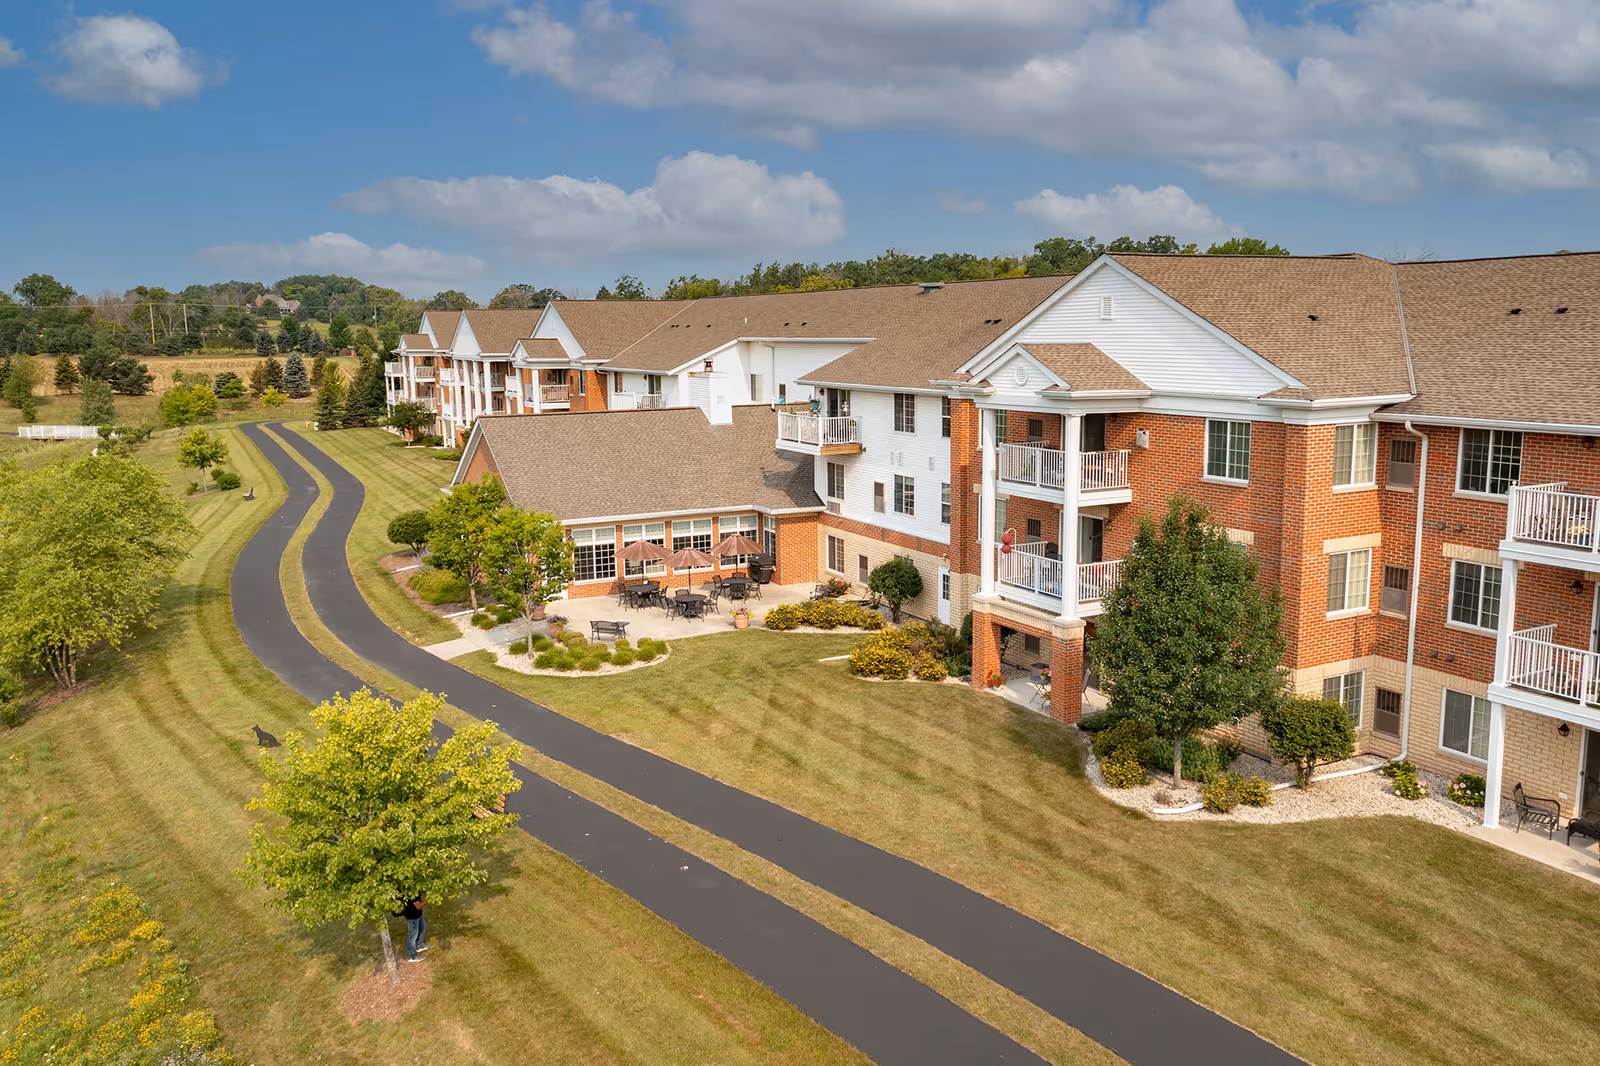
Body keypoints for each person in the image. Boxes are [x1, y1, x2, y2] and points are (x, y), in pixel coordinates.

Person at [399, 895, 428, 962]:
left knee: (422, 928)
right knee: (413, 936)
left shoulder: (415, 888)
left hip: (418, 914)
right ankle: (412, 956)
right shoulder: (411, 893)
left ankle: (419, 945)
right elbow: (418, 906)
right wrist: (426, 900)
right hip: (412, 917)